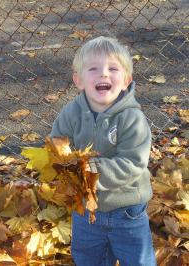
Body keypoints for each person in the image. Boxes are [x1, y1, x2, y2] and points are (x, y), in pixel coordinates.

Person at [50, 36, 156, 266]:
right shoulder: (71, 113)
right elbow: (56, 144)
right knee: (88, 259)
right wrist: (58, 163)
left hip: (127, 211)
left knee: (138, 261)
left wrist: (91, 169)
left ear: (126, 80)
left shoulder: (132, 118)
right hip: (85, 212)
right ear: (78, 80)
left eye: (113, 68)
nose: (104, 74)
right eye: (94, 69)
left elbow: (132, 163)